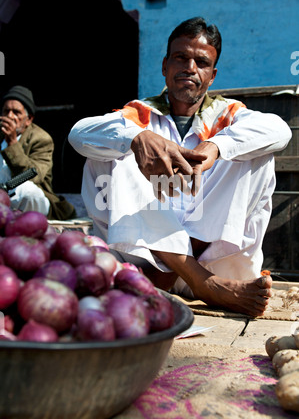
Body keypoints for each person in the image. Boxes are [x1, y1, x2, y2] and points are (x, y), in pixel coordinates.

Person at [68, 17, 292, 317]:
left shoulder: (228, 114)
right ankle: (200, 282)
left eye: (201, 62)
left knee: (256, 153)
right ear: (164, 67)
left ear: (212, 76)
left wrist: (217, 146)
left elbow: (281, 131)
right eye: (180, 58)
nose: (190, 68)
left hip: (216, 262)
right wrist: (137, 138)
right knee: (110, 149)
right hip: (145, 263)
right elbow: (78, 133)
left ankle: (178, 273)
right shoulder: (139, 114)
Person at [0, 85, 76, 220]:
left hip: (31, 199)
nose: (10, 116)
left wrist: (12, 143)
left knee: (26, 191)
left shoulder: (41, 139)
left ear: (28, 119)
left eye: (16, 112)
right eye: (6, 111)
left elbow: (33, 176)